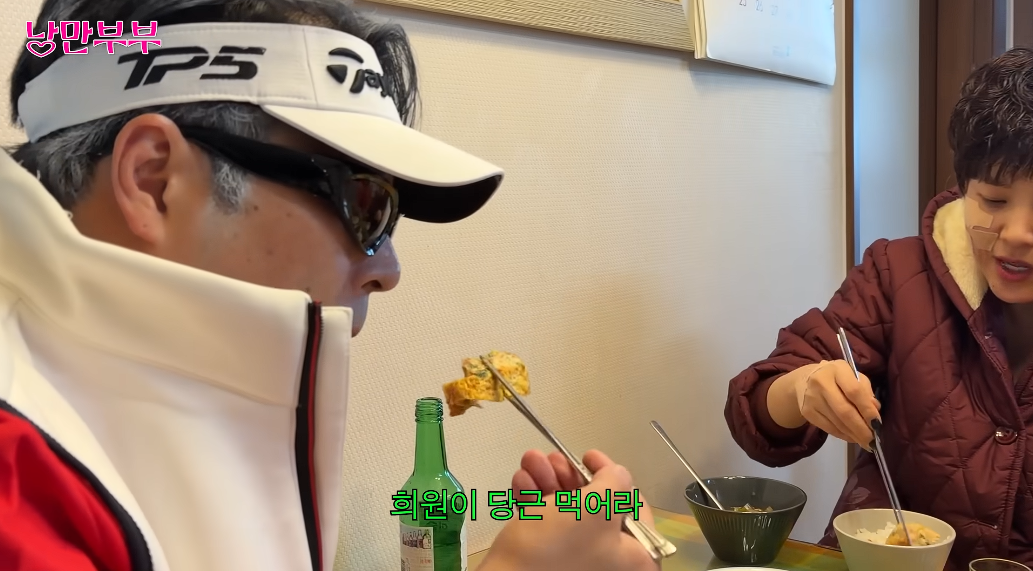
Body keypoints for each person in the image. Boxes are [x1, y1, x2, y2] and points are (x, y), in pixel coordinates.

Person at [0, 1, 660, 570]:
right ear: (154, 180)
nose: (388, 268)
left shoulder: (163, 410)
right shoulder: (17, 475)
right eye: (363, 202)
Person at [724, 47, 1033, 571]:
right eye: (994, 201)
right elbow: (755, 413)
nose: (1019, 234)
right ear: (964, 189)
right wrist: (802, 389)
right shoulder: (898, 275)